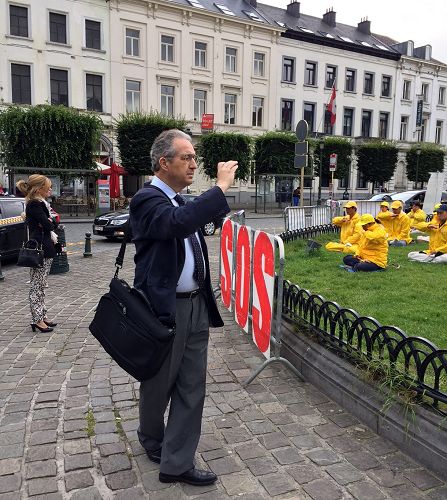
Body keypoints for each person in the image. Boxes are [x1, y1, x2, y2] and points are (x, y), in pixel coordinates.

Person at [130, 129, 237, 487]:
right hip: (164, 309)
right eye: (187, 157)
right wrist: (219, 188)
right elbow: (176, 226)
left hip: (195, 307)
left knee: (192, 386)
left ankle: (176, 462)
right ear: (164, 162)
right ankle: (152, 438)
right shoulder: (147, 199)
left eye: (194, 157)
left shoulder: (178, 199)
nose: (194, 163)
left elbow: (190, 226)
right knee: (158, 383)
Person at [16, 175, 58, 333]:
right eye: (48, 186)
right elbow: (49, 224)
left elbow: (53, 223)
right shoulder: (35, 204)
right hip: (39, 248)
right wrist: (48, 222)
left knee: (42, 285)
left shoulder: (41, 203)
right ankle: (37, 319)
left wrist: (49, 222)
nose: (50, 189)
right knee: (37, 286)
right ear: (39, 188)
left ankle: (42, 315)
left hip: (45, 247)